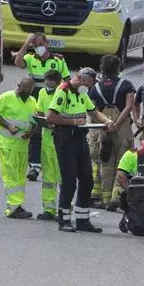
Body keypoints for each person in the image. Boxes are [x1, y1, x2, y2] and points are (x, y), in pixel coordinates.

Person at [46, 66, 114, 233]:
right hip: (65, 138)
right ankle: (64, 220)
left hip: (79, 137)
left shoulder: (82, 94)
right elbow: (50, 117)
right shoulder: (63, 91)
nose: (88, 87)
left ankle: (83, 220)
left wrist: (107, 121)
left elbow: (94, 113)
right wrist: (74, 122)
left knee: (87, 179)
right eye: (86, 83)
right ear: (79, 78)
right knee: (69, 181)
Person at [14, 33, 69, 181]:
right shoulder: (30, 58)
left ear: (47, 44)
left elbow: (67, 81)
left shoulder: (58, 60)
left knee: (52, 133)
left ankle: (52, 165)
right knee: (35, 132)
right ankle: (34, 166)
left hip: (52, 100)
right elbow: (18, 62)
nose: (39, 48)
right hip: (35, 99)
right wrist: (26, 43)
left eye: (41, 44)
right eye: (36, 45)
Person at [87, 54, 137, 210]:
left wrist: (106, 124)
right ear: (118, 68)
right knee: (123, 162)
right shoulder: (126, 85)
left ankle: (106, 199)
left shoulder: (95, 89)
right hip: (122, 129)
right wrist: (116, 123)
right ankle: (117, 197)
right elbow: (129, 106)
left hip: (103, 129)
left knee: (106, 163)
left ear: (102, 69)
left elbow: (92, 110)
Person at [0, 77, 39, 219]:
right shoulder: (6, 97)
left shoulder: (32, 101)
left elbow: (35, 121)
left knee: (20, 177)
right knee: (11, 176)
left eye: (30, 90)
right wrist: (8, 126)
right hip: (7, 143)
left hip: (22, 146)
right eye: (25, 89)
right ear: (18, 86)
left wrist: (31, 132)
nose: (27, 93)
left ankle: (18, 205)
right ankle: (14, 207)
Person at [33, 69, 65, 221]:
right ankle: (49, 209)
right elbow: (40, 111)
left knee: (63, 177)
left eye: (51, 85)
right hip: (47, 140)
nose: (48, 88)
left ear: (58, 84)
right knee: (48, 178)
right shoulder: (42, 92)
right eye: (46, 84)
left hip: (61, 141)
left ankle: (64, 209)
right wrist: (39, 118)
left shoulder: (64, 94)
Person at [115, 148, 144, 237]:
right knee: (139, 227)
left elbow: (120, 176)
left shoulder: (131, 153)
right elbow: (120, 176)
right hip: (143, 199)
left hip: (143, 198)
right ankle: (128, 218)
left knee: (141, 227)